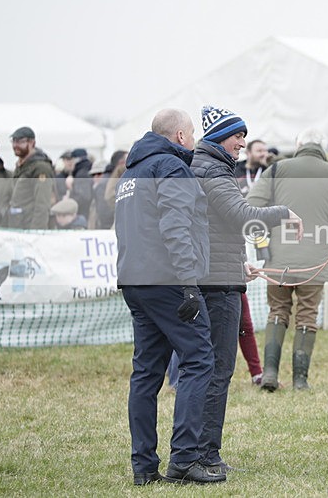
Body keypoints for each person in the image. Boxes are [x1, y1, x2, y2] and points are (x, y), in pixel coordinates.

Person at [114, 108, 224, 485]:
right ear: (179, 136)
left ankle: (144, 467)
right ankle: (184, 460)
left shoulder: (131, 172)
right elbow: (176, 226)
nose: (194, 141)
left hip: (135, 280)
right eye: (192, 134)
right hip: (167, 281)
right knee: (199, 359)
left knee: (146, 373)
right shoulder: (172, 168)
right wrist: (189, 282)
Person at [191, 105, 300, 472]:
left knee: (210, 369)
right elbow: (241, 215)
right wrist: (284, 212)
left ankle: (199, 452)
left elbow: (215, 228)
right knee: (218, 370)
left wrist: (238, 263)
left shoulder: (209, 167)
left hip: (218, 274)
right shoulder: (213, 171)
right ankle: (205, 455)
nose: (242, 142)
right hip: (217, 287)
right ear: (221, 136)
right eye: (238, 135)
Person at [247, 127, 328, 391]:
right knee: (306, 316)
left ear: (298, 145)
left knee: (277, 312)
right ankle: (300, 380)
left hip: (278, 258)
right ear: (321, 148)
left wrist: (268, 236)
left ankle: (269, 374)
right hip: (315, 260)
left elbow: (251, 207)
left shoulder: (277, 170)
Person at [8, 126, 55, 229]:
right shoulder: (21, 166)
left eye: (20, 142)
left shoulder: (40, 168)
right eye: (13, 141)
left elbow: (42, 204)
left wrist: (36, 232)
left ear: (32, 143)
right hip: (18, 226)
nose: (15, 145)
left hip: (31, 228)